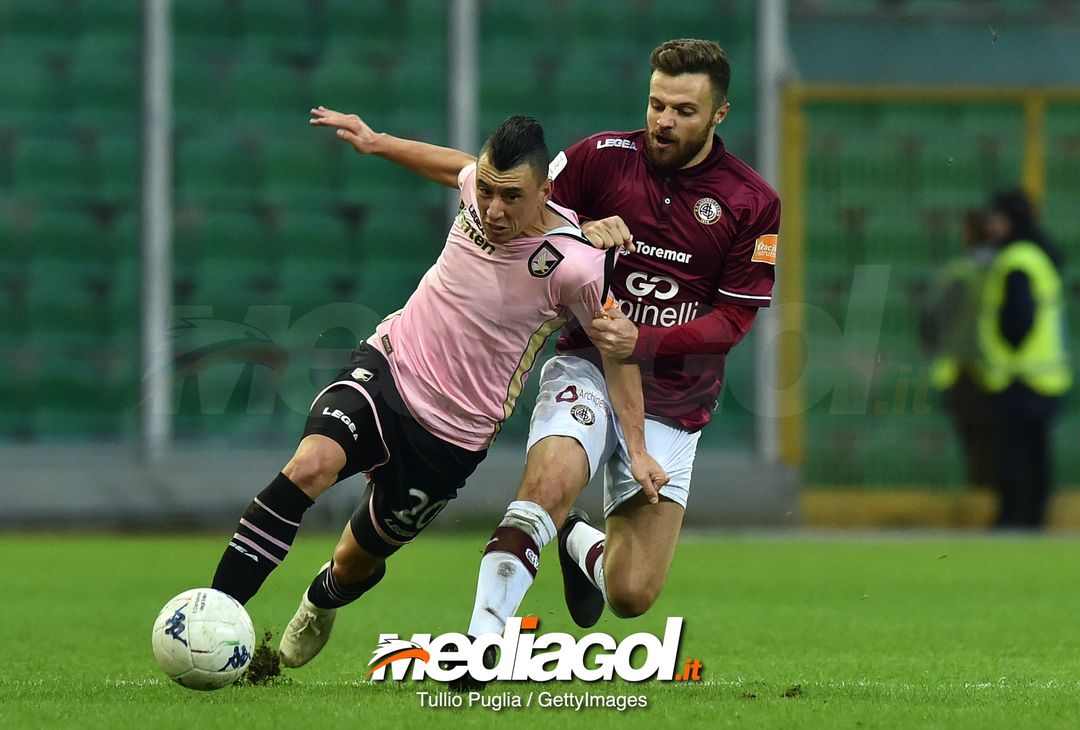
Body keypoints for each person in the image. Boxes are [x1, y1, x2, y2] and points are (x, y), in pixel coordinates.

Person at [206, 111, 668, 668]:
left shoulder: (579, 265)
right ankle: (215, 613)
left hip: (453, 436)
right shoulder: (479, 189)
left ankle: (321, 599)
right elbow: (457, 167)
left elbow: (616, 354)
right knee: (310, 465)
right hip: (390, 367)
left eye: (512, 198)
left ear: (545, 190)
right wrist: (378, 143)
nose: (494, 211)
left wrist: (637, 450)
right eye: (489, 193)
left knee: (357, 558)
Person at [457, 37, 781, 668]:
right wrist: (574, 230)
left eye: (685, 111)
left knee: (631, 596)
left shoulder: (751, 202)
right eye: (657, 104)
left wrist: (646, 340)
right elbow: (517, 215)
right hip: (587, 366)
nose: (664, 120)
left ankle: (578, 539)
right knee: (546, 484)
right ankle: (481, 647)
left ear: (720, 114)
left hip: (675, 402)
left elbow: (735, 319)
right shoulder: (598, 158)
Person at [977, 189, 1071, 529]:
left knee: (1015, 454)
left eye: (995, 219)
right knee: (1035, 452)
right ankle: (1032, 518)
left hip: (1020, 376)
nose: (990, 226)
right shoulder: (1039, 255)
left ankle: (1015, 519)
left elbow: (1019, 317)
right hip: (1044, 375)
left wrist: (1008, 350)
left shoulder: (1017, 259)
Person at [918, 210, 997, 488]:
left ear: (968, 235)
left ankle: (983, 507)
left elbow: (930, 321)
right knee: (1000, 448)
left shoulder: (958, 274)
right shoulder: (1006, 271)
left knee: (976, 448)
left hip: (962, 374)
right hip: (1001, 373)